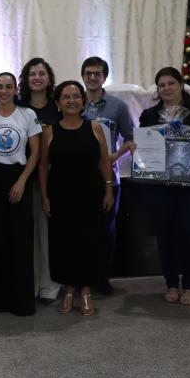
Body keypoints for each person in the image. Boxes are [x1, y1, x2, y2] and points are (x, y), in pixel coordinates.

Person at [137, 67, 190, 306]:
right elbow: (145, 146)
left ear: (181, 85)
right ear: (157, 89)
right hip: (160, 185)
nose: (166, 88)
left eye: (171, 83)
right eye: (162, 85)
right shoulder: (149, 115)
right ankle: (171, 283)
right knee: (165, 234)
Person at [39, 81, 114, 316]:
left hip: (90, 195)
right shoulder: (49, 131)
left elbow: (104, 161)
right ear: (58, 102)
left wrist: (109, 190)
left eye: (76, 96)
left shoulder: (95, 127)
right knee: (64, 244)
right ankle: (69, 289)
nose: (72, 101)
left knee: (89, 243)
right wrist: (44, 195)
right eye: (66, 97)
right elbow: (43, 166)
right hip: (60, 196)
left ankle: (86, 290)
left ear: (83, 101)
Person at [0, 73, 42, 316]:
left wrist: (22, 181)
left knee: (21, 241)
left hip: (19, 178)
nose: (4, 91)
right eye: (0, 87)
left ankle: (22, 301)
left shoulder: (28, 115)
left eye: (8, 87)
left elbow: (35, 153)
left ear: (16, 89)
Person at [80, 56, 134, 295]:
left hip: (108, 177)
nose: (93, 77)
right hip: (77, 177)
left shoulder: (117, 106)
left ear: (104, 77)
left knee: (105, 230)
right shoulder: (72, 101)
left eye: (97, 73)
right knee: (80, 229)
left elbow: (130, 139)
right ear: (83, 76)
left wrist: (114, 156)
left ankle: (101, 277)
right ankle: (80, 277)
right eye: (88, 73)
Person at [17, 57, 61, 305]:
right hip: (23, 180)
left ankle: (50, 286)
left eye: (41, 73)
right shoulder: (18, 106)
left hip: (53, 180)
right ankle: (30, 284)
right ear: (26, 79)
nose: (37, 78)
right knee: (28, 236)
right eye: (32, 73)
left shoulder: (58, 107)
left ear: (49, 78)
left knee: (49, 236)